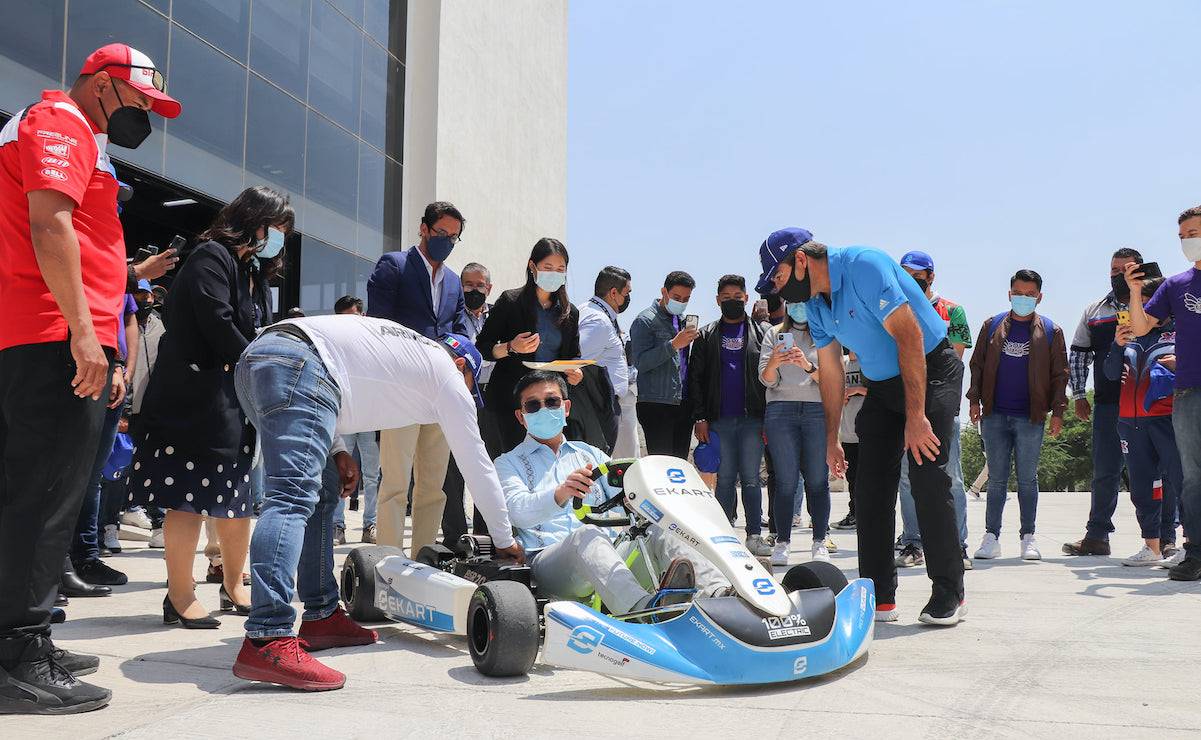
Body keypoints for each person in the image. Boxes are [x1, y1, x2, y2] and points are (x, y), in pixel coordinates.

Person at [0, 42, 180, 714]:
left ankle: (25, 635)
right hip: (50, 335)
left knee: (42, 494)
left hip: (54, 333)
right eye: (140, 102)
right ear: (102, 85)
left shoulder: (75, 133)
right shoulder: (57, 124)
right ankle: (18, 657)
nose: (146, 116)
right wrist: (83, 331)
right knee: (42, 500)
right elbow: (49, 224)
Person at [230, 315, 521, 690]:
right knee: (290, 497)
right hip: (301, 364)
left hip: (260, 360)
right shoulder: (447, 375)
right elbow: (476, 464)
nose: (467, 400)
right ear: (462, 365)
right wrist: (503, 539)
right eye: (470, 389)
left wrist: (336, 450)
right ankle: (267, 637)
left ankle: (320, 616)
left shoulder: (409, 348)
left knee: (321, 487)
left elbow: (332, 364)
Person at [756, 228, 965, 626]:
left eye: (779, 280)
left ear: (801, 261)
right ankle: (877, 595)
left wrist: (917, 417)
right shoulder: (816, 305)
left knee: (925, 475)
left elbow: (910, 335)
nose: (778, 294)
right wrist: (832, 438)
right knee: (868, 486)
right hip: (881, 383)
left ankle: (949, 593)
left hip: (929, 370)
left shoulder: (864, 264)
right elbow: (832, 371)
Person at [128, 186, 288, 629]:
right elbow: (217, 322)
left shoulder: (249, 272)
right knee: (188, 501)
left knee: (235, 503)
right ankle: (179, 596)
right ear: (253, 221)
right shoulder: (211, 257)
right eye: (275, 229)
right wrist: (260, 365)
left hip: (231, 402)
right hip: (194, 401)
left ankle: (235, 585)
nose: (278, 239)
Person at [495, 370, 728, 614]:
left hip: (610, 554)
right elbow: (516, 512)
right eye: (533, 405)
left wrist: (637, 499)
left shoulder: (589, 454)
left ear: (565, 408)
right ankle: (642, 610)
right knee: (587, 534)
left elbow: (625, 494)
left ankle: (718, 594)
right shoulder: (507, 463)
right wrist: (561, 493)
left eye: (551, 401)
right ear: (521, 417)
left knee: (663, 526)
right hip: (548, 564)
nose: (544, 409)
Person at [367, 202, 469, 557]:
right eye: (442, 233)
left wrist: (460, 352)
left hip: (438, 393)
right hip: (402, 390)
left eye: (454, 236)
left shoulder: (454, 281)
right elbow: (379, 325)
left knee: (433, 487)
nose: (448, 241)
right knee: (396, 484)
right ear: (424, 228)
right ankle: (386, 562)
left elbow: (458, 329)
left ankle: (422, 560)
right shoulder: (394, 265)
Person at [966, 270, 1068, 561]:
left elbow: (1060, 374)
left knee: (1027, 479)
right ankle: (991, 537)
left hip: (1031, 417)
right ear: (1010, 294)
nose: (1024, 298)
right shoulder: (993, 325)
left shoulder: (1050, 330)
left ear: (1039, 297)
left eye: (1030, 294)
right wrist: (974, 401)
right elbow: (978, 366)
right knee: (996, 479)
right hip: (995, 415)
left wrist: (1058, 412)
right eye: (1018, 293)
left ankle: (1028, 537)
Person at [1124, 205, 1201, 581]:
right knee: (1192, 476)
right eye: (1184, 236)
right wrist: (1136, 292)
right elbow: (1140, 329)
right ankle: (1196, 552)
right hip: (1188, 392)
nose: (1189, 241)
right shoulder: (1175, 284)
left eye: (1194, 232)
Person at [1062, 248, 1143, 557]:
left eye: (1125, 269)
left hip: (1151, 404)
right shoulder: (1095, 310)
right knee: (1105, 471)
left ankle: (1164, 538)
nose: (1117, 274)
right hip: (1109, 403)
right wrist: (1080, 395)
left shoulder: (1158, 302)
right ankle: (1097, 536)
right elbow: (1080, 354)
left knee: (1156, 471)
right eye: (1113, 269)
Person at [895, 251, 973, 570]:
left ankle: (958, 544)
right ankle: (913, 542)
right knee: (906, 476)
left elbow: (953, 360)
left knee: (950, 476)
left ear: (931, 276)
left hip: (940, 406)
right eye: (905, 274)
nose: (912, 280)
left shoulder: (952, 311)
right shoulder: (895, 310)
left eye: (918, 274)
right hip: (903, 405)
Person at [476, 238, 583, 454]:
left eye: (560, 269)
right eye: (548, 268)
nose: (554, 274)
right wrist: (510, 347)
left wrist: (575, 372)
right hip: (511, 401)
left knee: (547, 466)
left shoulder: (570, 312)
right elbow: (482, 347)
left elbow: (573, 356)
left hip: (550, 404)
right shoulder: (510, 301)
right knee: (510, 464)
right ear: (532, 267)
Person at [65, 289, 140, 591]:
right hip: (74, 362)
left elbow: (126, 320)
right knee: (64, 472)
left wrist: (122, 368)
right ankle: (56, 565)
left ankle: (85, 556)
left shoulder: (121, 279)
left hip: (111, 370)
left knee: (91, 474)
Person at [689, 275, 769, 555]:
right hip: (719, 419)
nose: (732, 302)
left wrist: (768, 419)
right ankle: (724, 533)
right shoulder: (706, 335)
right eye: (726, 298)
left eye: (737, 297)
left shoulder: (762, 332)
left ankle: (755, 535)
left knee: (750, 478)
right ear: (717, 301)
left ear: (746, 298)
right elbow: (695, 380)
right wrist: (700, 417)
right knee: (723, 479)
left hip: (752, 419)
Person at [1104, 278, 1180, 565]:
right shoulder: (1130, 337)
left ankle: (1183, 544)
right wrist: (1116, 344)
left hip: (1167, 419)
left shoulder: (1178, 333)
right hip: (1129, 421)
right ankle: (1151, 547)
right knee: (1141, 485)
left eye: (1147, 304)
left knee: (1178, 480)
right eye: (1137, 304)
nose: (1140, 309)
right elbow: (1111, 374)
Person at [759, 300, 829, 565]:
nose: (799, 307)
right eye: (794, 303)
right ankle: (782, 542)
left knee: (817, 479)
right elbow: (766, 380)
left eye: (804, 302)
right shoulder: (774, 333)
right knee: (786, 481)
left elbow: (832, 379)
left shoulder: (824, 333)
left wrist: (806, 366)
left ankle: (820, 540)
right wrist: (775, 362)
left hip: (816, 410)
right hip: (780, 410)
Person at [442, 262, 495, 544]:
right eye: (468, 285)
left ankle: (484, 536)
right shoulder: (450, 316)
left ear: (489, 288)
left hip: (490, 399)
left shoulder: (498, 316)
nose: (474, 290)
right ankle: (454, 537)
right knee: (452, 470)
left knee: (486, 466)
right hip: (458, 396)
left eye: (479, 286)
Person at [329, 295, 380, 545]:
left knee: (372, 474)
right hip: (345, 417)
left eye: (353, 317)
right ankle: (337, 526)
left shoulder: (374, 342)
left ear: (363, 316)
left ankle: (370, 524)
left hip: (369, 417)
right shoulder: (332, 345)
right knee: (341, 473)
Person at [630, 271, 698, 458]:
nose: (681, 302)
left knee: (680, 466)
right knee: (662, 467)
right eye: (676, 297)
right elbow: (641, 362)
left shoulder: (683, 321)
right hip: (656, 404)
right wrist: (673, 345)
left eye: (686, 299)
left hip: (682, 403)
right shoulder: (645, 320)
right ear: (664, 292)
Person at [832, 350, 867, 531]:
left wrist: (857, 390)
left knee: (868, 478)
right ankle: (854, 514)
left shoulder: (868, 360)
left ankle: (867, 515)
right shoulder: (842, 363)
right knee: (852, 478)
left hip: (868, 431)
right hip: (846, 430)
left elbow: (882, 391)